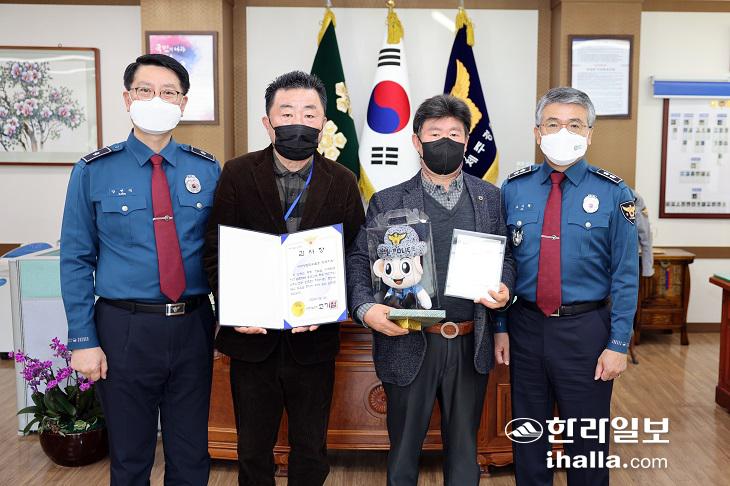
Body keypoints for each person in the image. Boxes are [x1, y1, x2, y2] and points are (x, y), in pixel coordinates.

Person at [61, 54, 221, 485]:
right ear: (127, 98)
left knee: (191, 455)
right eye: (145, 90)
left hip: (192, 325)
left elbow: (220, 253)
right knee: (130, 458)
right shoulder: (94, 170)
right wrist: (83, 340)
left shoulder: (207, 170)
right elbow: (76, 259)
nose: (157, 99)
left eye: (169, 92)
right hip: (124, 329)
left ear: (183, 103)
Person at [203, 71, 365, 486]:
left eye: (309, 113)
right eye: (287, 112)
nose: (299, 121)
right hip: (251, 339)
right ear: (268, 121)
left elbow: (355, 256)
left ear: (323, 123)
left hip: (313, 340)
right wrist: (235, 308)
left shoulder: (343, 181)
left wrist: (330, 306)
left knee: (311, 448)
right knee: (252, 449)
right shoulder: (237, 173)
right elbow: (214, 250)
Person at [347, 94, 516, 486]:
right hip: (407, 339)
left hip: (469, 341)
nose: (445, 141)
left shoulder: (489, 197)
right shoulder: (388, 200)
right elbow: (358, 260)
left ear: (467, 141)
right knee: (403, 453)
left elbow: (506, 254)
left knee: (465, 454)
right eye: (435, 133)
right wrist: (364, 308)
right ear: (416, 141)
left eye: (454, 134)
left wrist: (505, 286)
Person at [495, 87, 638, 486]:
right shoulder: (514, 189)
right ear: (537, 132)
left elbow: (626, 275)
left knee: (586, 445)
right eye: (553, 123)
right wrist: (501, 327)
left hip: (586, 331)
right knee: (528, 439)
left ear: (589, 134)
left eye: (574, 124)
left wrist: (619, 344)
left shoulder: (614, 192)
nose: (563, 132)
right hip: (525, 327)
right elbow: (503, 262)